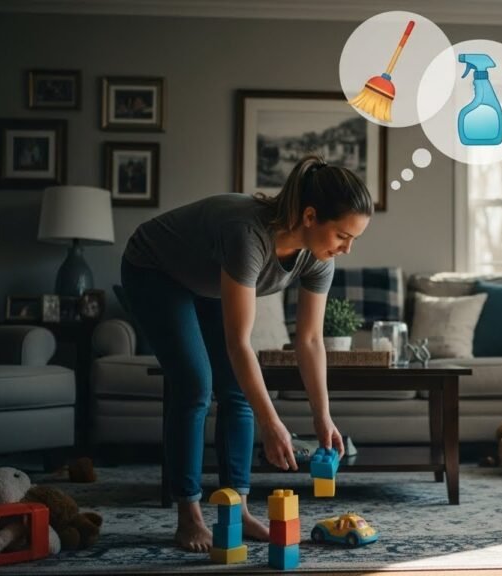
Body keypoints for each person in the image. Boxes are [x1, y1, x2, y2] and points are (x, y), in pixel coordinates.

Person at [120, 154, 372, 552]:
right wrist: (272, 423)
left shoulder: (319, 258)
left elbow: (308, 340)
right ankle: (189, 515)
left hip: (207, 279)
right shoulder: (248, 234)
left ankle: (236, 508)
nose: (348, 248)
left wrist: (322, 417)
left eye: (355, 238)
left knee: (236, 391)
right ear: (310, 216)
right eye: (343, 235)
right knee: (195, 385)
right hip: (154, 270)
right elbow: (240, 342)